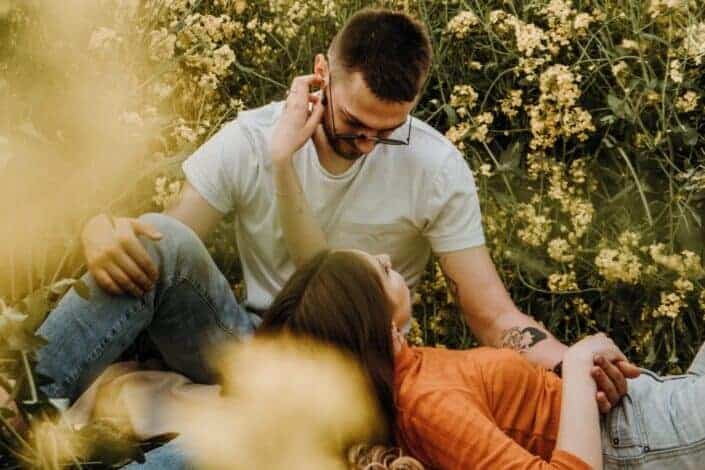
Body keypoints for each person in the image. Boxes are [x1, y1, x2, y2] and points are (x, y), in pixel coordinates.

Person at [10, 7, 627, 466]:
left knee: (254, 441)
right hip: (251, 341)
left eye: (386, 133)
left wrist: (573, 368)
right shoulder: (250, 139)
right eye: (355, 124)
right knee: (162, 242)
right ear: (321, 76)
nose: (366, 145)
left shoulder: (436, 168)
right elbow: (165, 247)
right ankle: (22, 408)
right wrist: (101, 230)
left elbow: (494, 316)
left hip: (356, 368)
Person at [254, 129, 705, 469]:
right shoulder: (424, 406)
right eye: (382, 270)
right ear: (374, 320)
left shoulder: (410, 371)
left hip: (648, 408)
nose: (389, 257)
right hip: (645, 436)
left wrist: (572, 370)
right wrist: (582, 368)